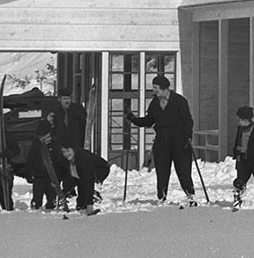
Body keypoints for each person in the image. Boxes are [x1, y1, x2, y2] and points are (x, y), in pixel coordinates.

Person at [126, 75, 197, 205]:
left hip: (179, 141)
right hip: (162, 141)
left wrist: (188, 137)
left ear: (164, 88)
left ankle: (190, 195)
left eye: (156, 88)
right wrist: (133, 119)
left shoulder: (179, 101)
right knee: (162, 170)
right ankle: (162, 196)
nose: (154, 91)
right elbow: (149, 120)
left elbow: (188, 121)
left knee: (183, 170)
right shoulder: (155, 103)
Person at [54, 141, 110, 215]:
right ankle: (81, 205)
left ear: (73, 149)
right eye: (64, 152)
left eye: (68, 151)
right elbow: (62, 173)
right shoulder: (65, 159)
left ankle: (92, 198)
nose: (66, 154)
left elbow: (88, 181)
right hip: (79, 172)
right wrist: (56, 183)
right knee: (78, 182)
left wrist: (89, 206)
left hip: (100, 169)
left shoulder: (83, 159)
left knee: (85, 184)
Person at [27, 116, 61, 210]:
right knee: (36, 200)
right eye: (40, 137)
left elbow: (58, 161)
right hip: (38, 177)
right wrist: (29, 173)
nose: (42, 138)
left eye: (44, 136)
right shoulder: (36, 144)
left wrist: (58, 176)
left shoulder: (55, 144)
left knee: (52, 201)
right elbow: (30, 159)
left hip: (51, 177)